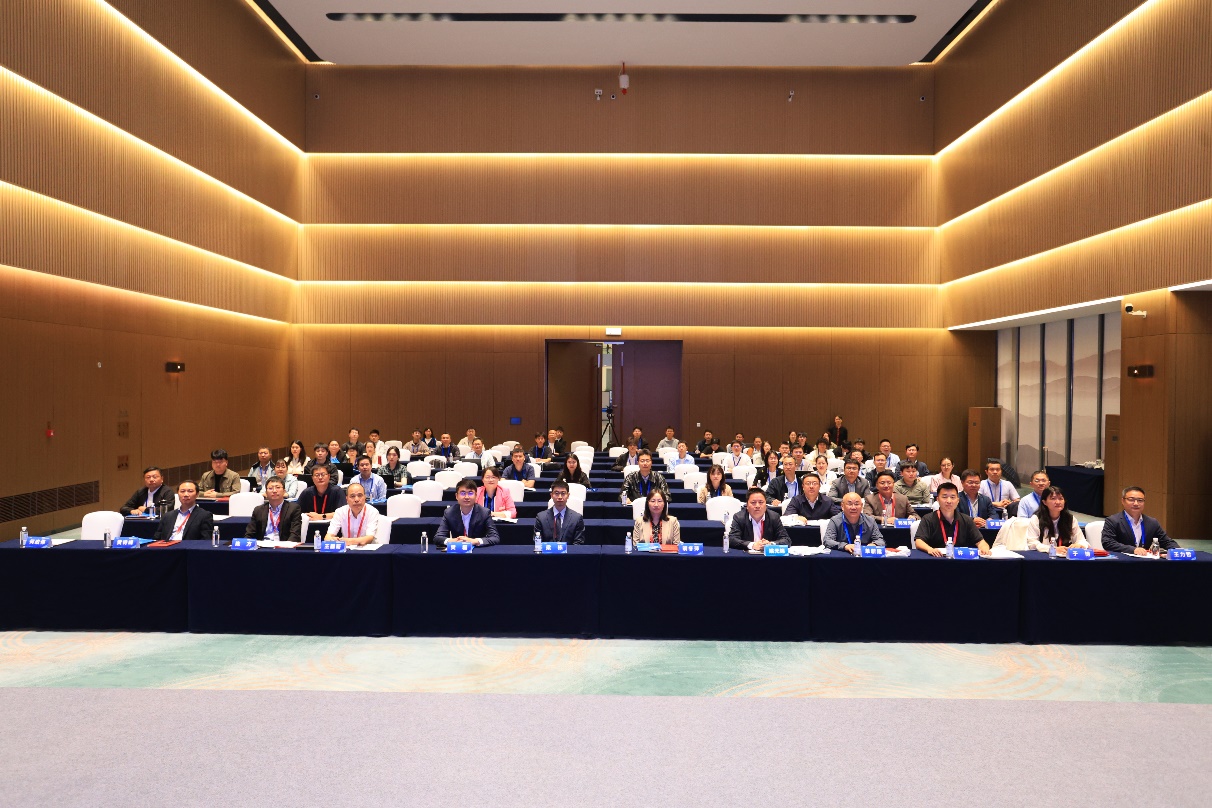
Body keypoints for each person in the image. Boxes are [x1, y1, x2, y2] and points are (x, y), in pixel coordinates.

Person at [915, 482, 991, 557]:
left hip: (960, 560)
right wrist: (930, 549)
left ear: (958, 500)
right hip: (936, 559)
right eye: (944, 497)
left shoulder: (967, 520)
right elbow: (919, 541)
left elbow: (981, 542)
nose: (949, 501)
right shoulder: (928, 519)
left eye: (952, 497)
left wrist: (984, 549)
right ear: (937, 499)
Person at [1101, 486, 1179, 555]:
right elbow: (1108, 543)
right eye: (1131, 500)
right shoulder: (1113, 521)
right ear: (1123, 501)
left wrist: (1179, 551)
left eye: (1140, 500)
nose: (1136, 503)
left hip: (1145, 562)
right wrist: (1133, 550)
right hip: (1122, 562)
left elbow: (1166, 541)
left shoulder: (1152, 522)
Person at [1022, 486, 1087, 553]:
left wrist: (1079, 545)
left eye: (1061, 499)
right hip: (1043, 556)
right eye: (1053, 498)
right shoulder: (1036, 519)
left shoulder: (1070, 519)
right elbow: (1032, 543)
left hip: (1065, 556)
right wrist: (1052, 549)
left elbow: (1082, 540)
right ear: (1044, 502)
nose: (1058, 502)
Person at [436, 480, 500, 547]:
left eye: (470, 493)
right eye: (463, 493)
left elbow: (495, 537)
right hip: (458, 550)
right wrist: (453, 541)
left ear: (476, 495)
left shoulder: (484, 513)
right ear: (456, 496)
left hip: (477, 550)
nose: (466, 497)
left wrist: (474, 541)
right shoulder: (449, 512)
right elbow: (438, 537)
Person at [727, 488, 791, 552]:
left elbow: (786, 540)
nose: (757, 506)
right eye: (753, 502)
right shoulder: (739, 517)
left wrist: (771, 544)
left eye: (761, 502)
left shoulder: (774, 517)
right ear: (747, 505)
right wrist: (752, 545)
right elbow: (732, 539)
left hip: (768, 556)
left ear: (766, 504)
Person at [244, 476, 303, 543]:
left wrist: (285, 547)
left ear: (284, 491)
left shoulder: (293, 509)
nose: (274, 491)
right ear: (266, 493)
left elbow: (295, 535)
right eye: (270, 488)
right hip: (262, 546)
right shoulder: (258, 510)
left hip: (284, 546)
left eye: (278, 487)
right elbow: (249, 534)